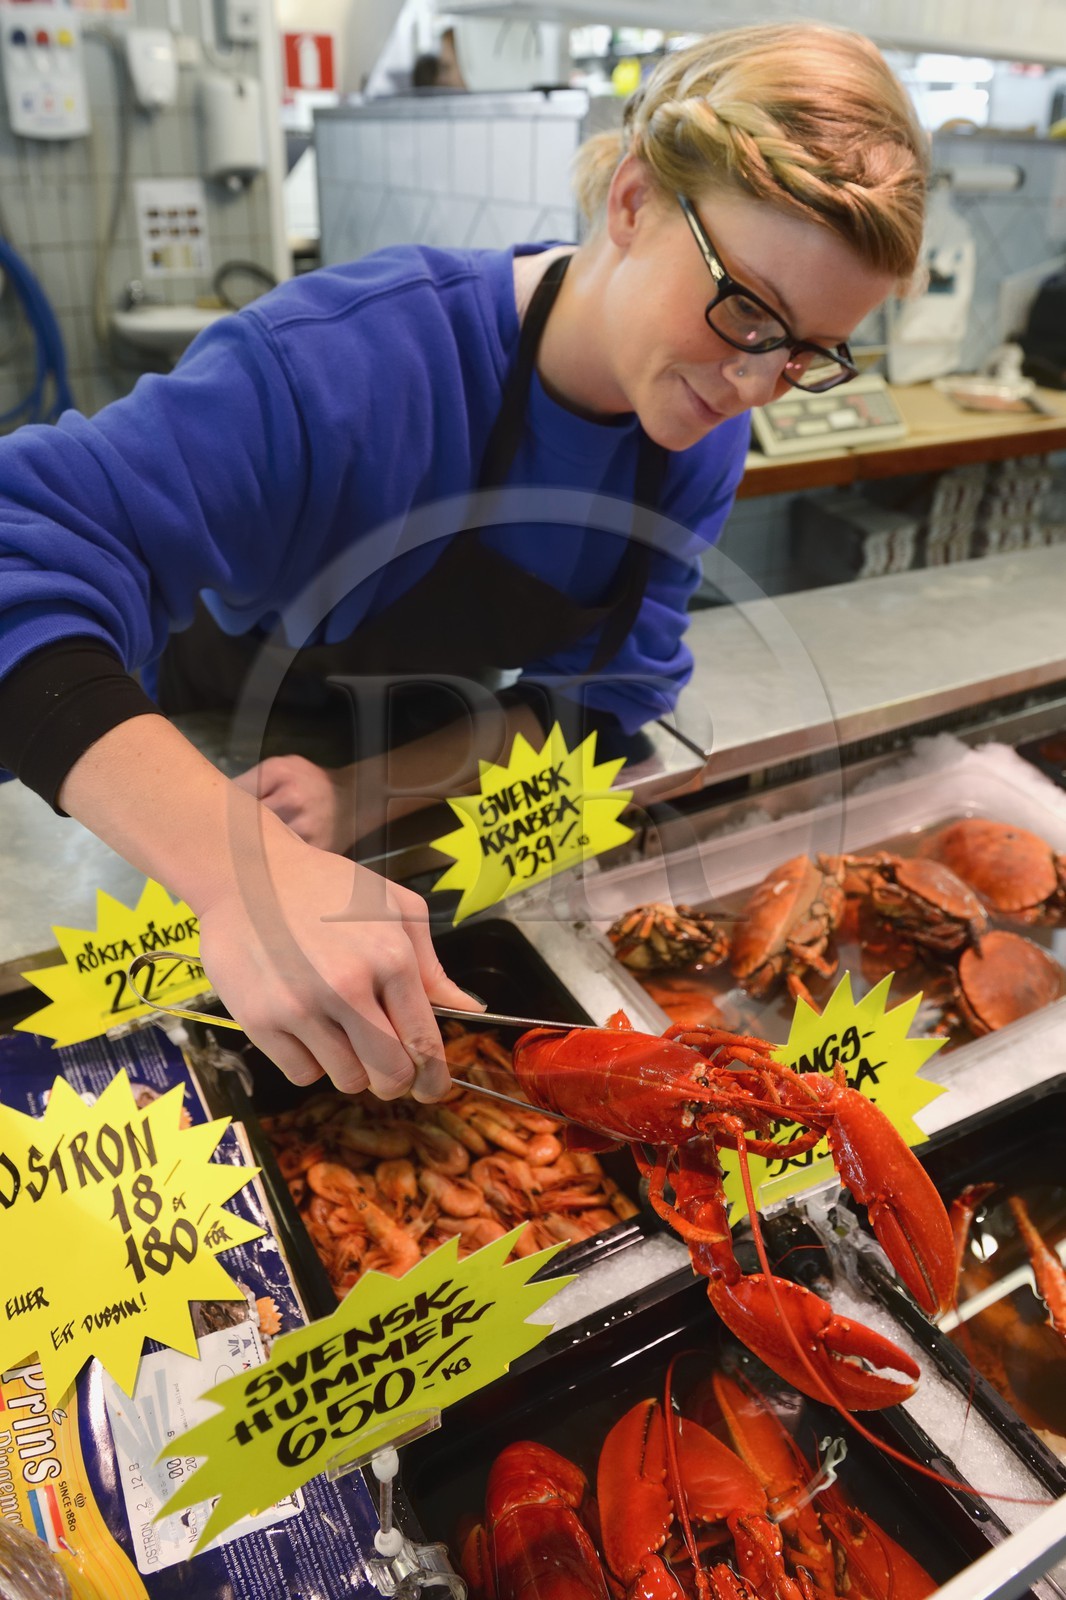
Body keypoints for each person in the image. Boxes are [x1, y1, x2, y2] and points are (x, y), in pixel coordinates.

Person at [0, 23, 928, 1104]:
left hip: (392, 742)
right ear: (631, 200)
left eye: (807, 350)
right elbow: (24, 544)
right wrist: (232, 869)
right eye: (747, 310)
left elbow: (605, 697)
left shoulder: (696, 434)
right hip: (181, 744)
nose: (756, 382)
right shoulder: (347, 366)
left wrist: (359, 796)